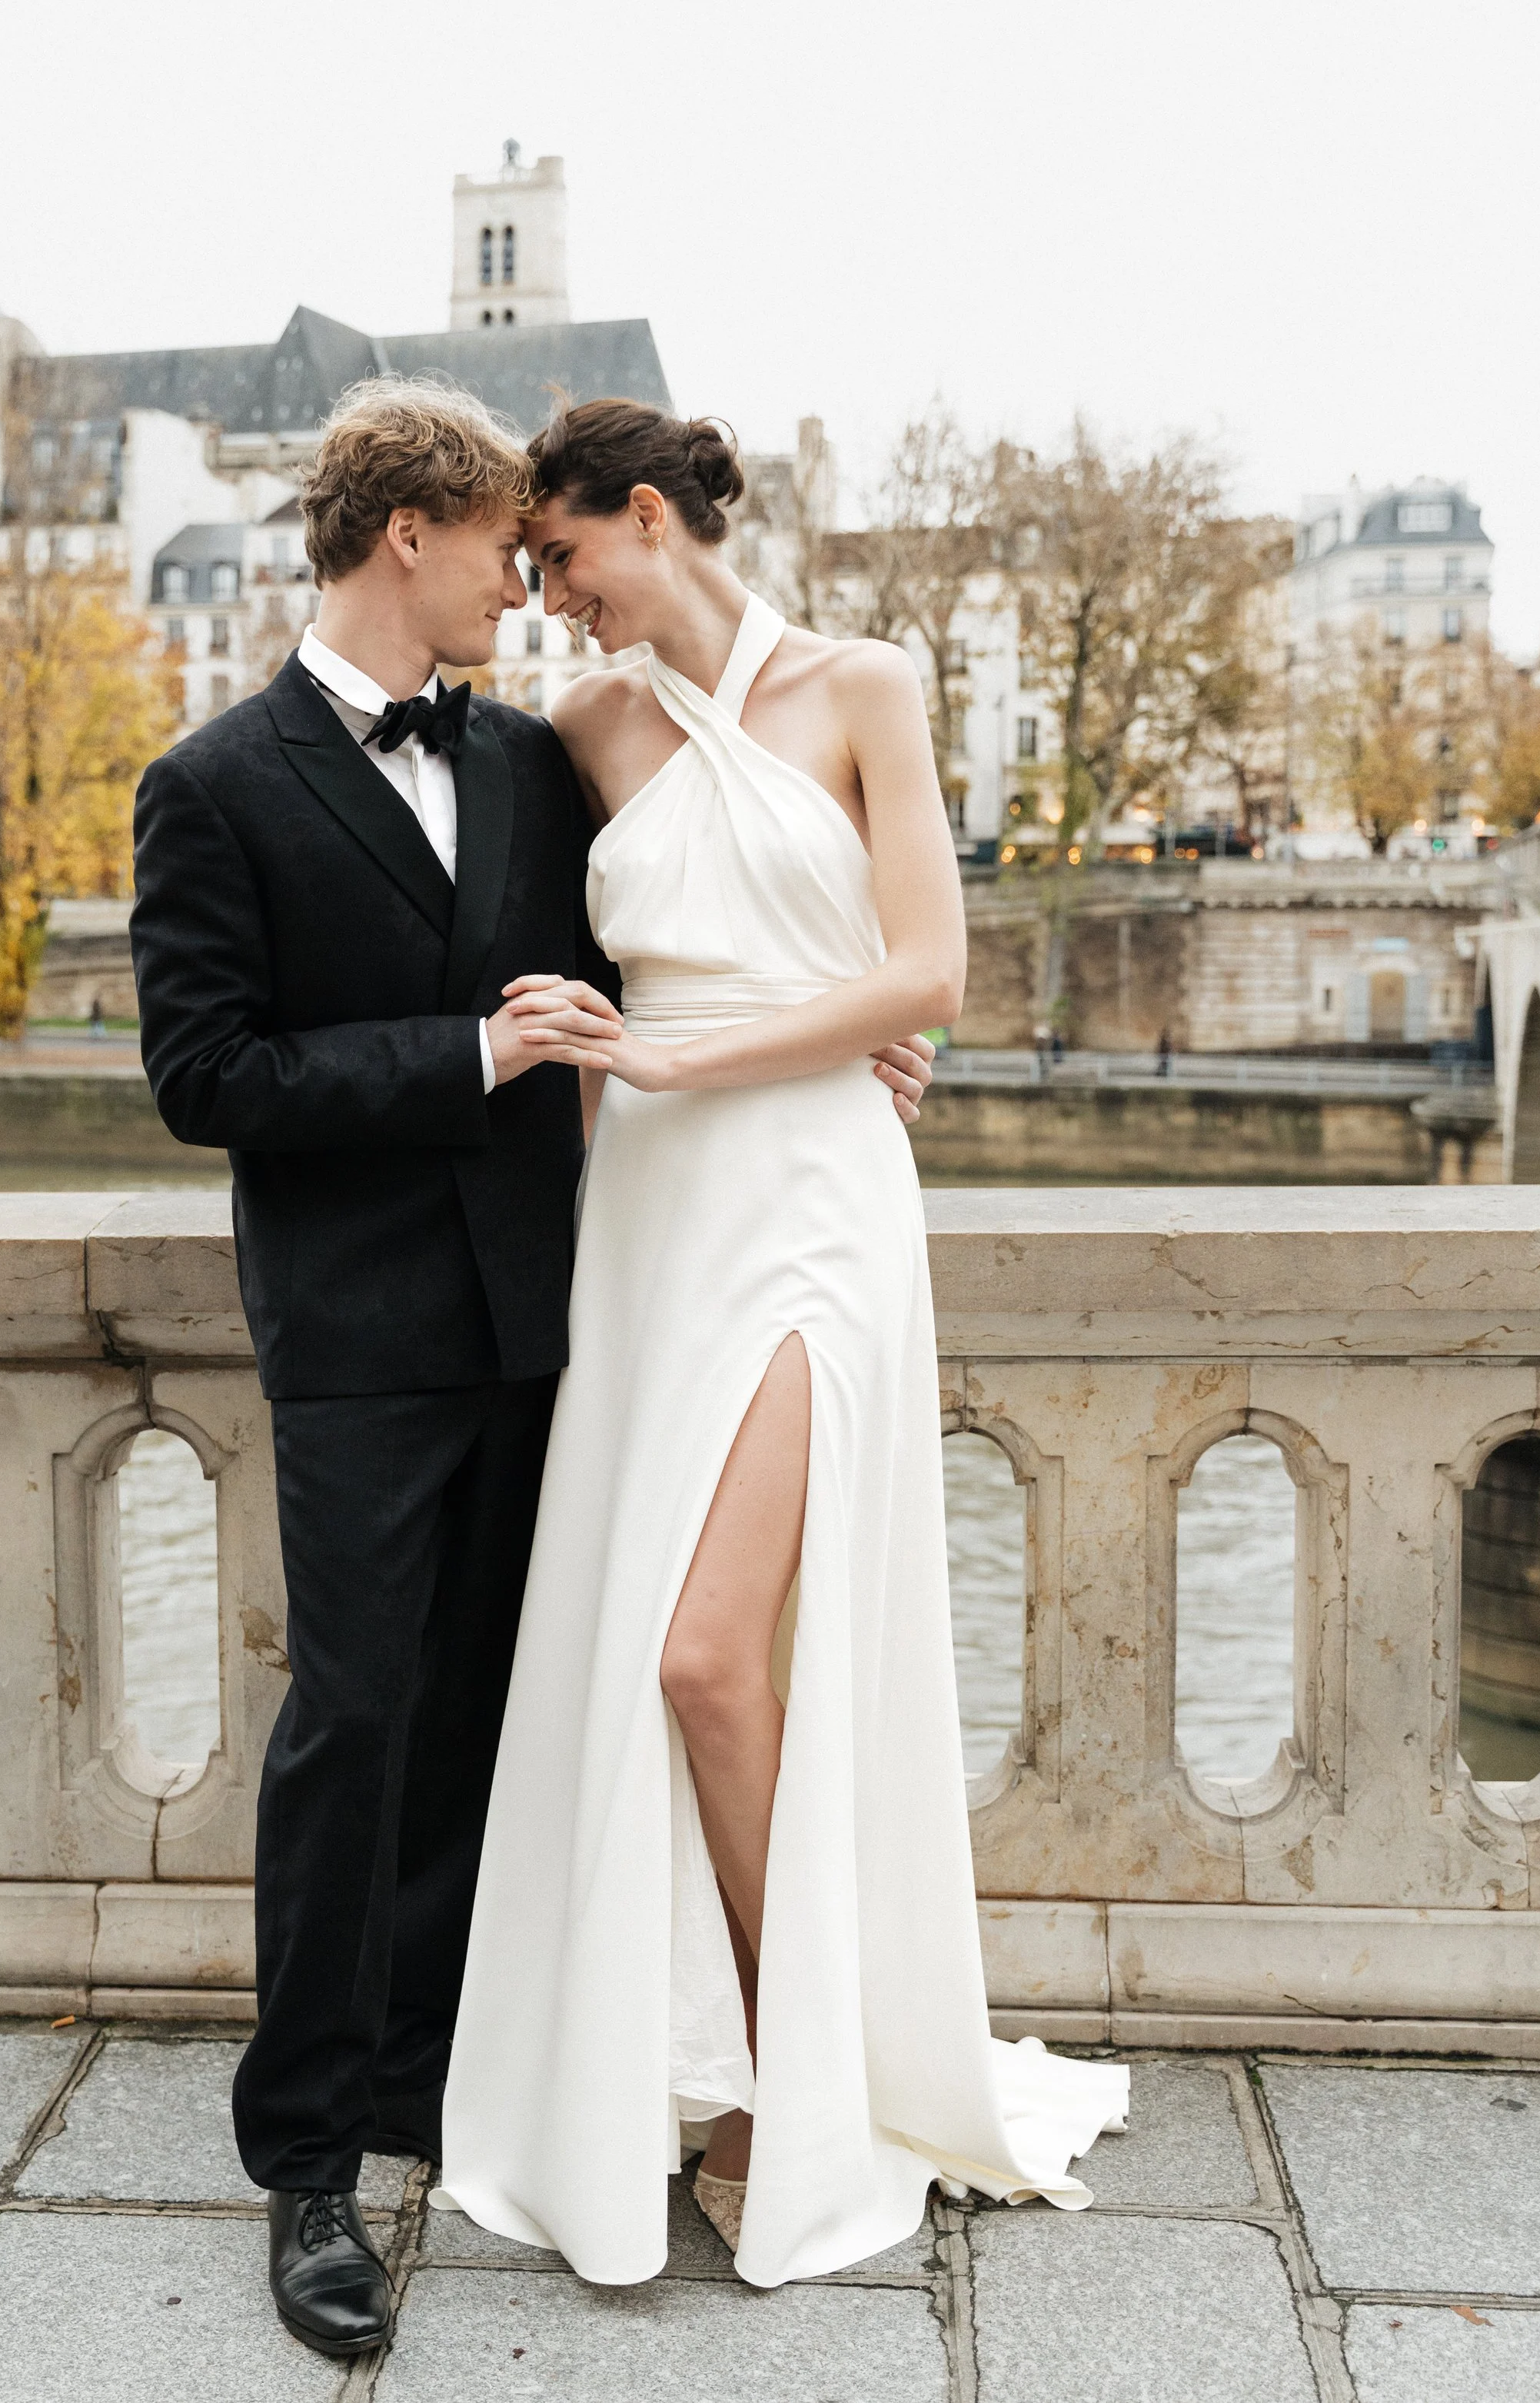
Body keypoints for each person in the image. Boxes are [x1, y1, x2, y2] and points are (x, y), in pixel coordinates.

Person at [128, 380, 936, 2358]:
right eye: (510, 547)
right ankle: (311, 2160)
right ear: (412, 534)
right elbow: (203, 1077)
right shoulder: (213, 781)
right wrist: (477, 1058)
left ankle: (453, 2076)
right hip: (367, 1339)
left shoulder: (535, 753)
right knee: (355, 1724)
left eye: (549, 545)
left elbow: (738, 918)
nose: (532, 582)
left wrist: (862, 1037)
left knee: (510, 1720)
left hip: (568, 1311)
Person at [437, 401, 1129, 2289]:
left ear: (643, 518)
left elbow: (924, 975)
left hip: (815, 1205)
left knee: (706, 1653)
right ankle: (715, 2050)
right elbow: (500, 948)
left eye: (562, 559)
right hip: (648, 1218)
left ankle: (782, 2074)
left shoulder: (861, 688)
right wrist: (601, 1032)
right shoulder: (574, 731)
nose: (547, 598)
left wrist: (715, 1042)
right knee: (653, 1645)